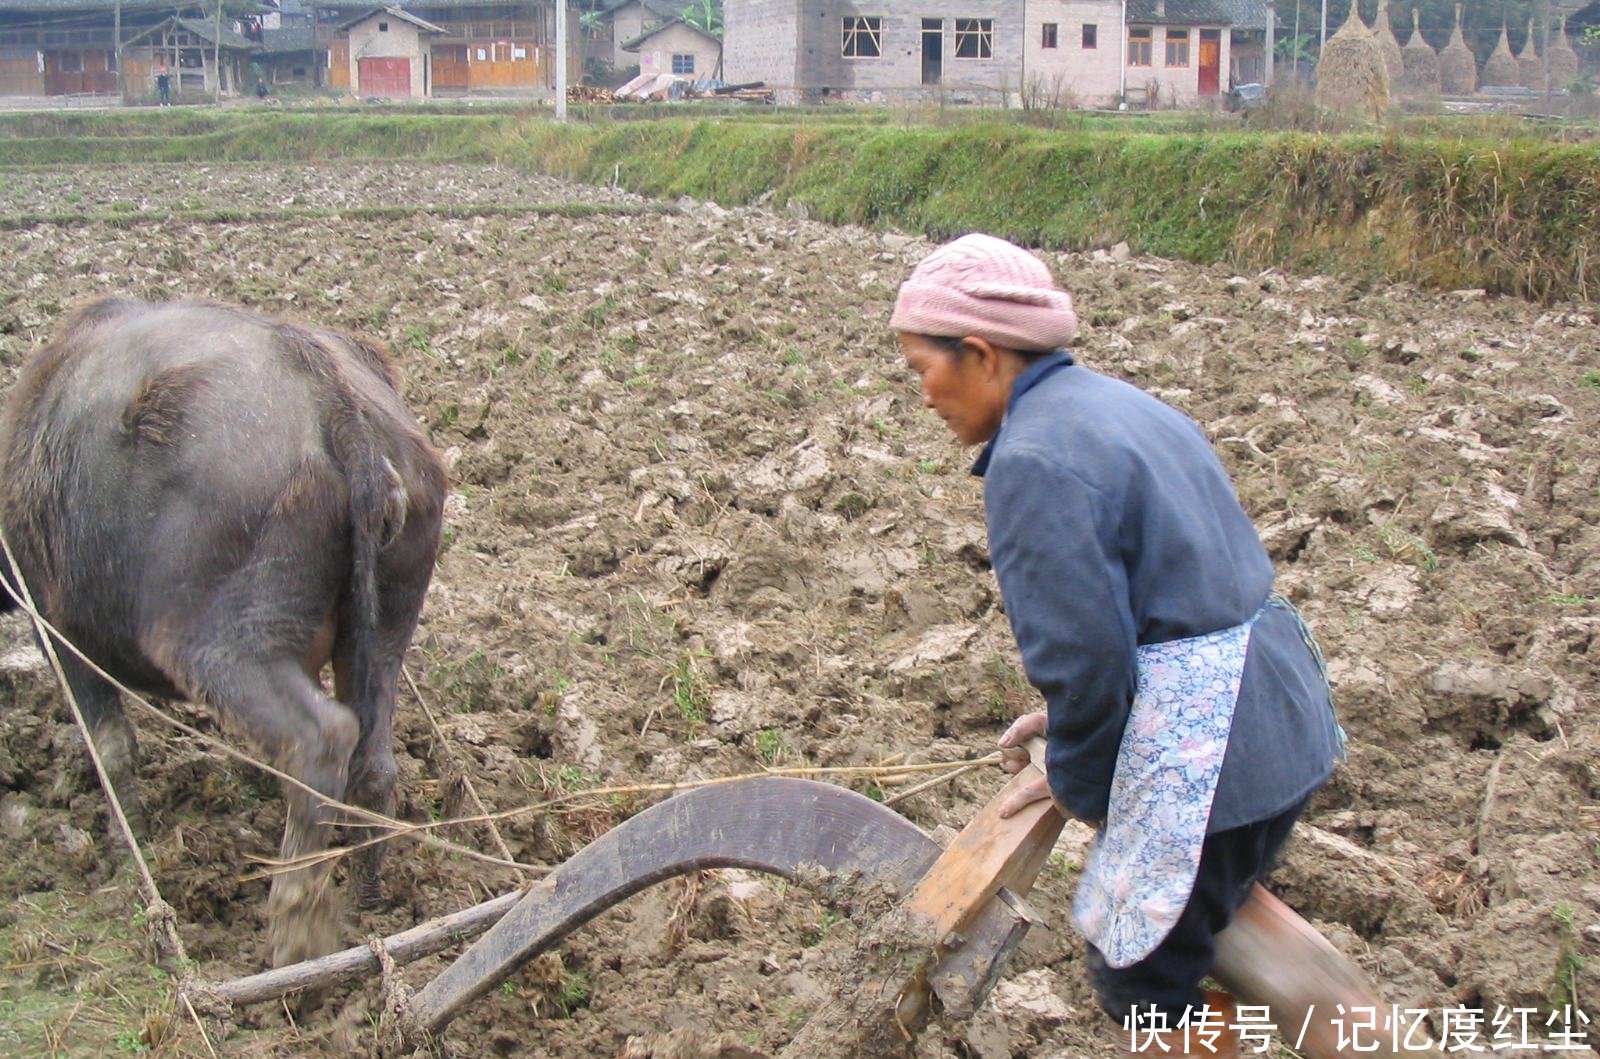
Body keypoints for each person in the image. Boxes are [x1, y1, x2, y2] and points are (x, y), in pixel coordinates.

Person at [891, 234, 1345, 1058]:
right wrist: (1081, 733)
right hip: (1280, 708)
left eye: (923, 366)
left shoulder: (1031, 460)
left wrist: (1078, 772)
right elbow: (1178, 592)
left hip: (1212, 745)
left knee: (1141, 975)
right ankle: (1376, 1031)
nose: (923, 393)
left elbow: (1084, 662)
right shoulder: (1122, 406)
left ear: (983, 354)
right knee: (1215, 912)